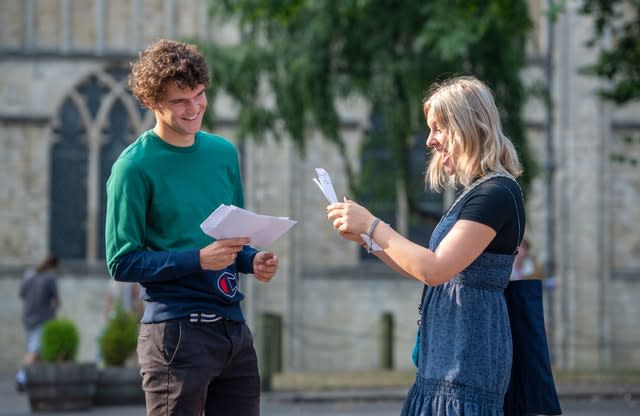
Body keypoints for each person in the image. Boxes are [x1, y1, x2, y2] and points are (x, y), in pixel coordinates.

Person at [327, 75, 525, 415]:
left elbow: (434, 268)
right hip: (445, 358)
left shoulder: (497, 194)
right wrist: (367, 239)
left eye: (438, 129)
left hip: (468, 359)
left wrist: (374, 225)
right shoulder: (476, 193)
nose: (430, 141)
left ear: (467, 127)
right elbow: (425, 268)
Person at [105, 39, 279, 416]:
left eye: (199, 95)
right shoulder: (132, 168)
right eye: (179, 101)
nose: (194, 107)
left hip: (233, 330)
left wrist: (252, 260)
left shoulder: (223, 153)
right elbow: (122, 263)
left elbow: (231, 238)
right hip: (175, 335)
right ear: (152, 102)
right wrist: (198, 260)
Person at [16, 255, 60, 392]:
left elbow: (21, 294)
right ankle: (21, 377)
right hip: (42, 318)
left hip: (28, 316)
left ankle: (38, 381)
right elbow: (56, 301)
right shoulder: (50, 277)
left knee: (36, 350)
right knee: (34, 350)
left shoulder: (29, 274)